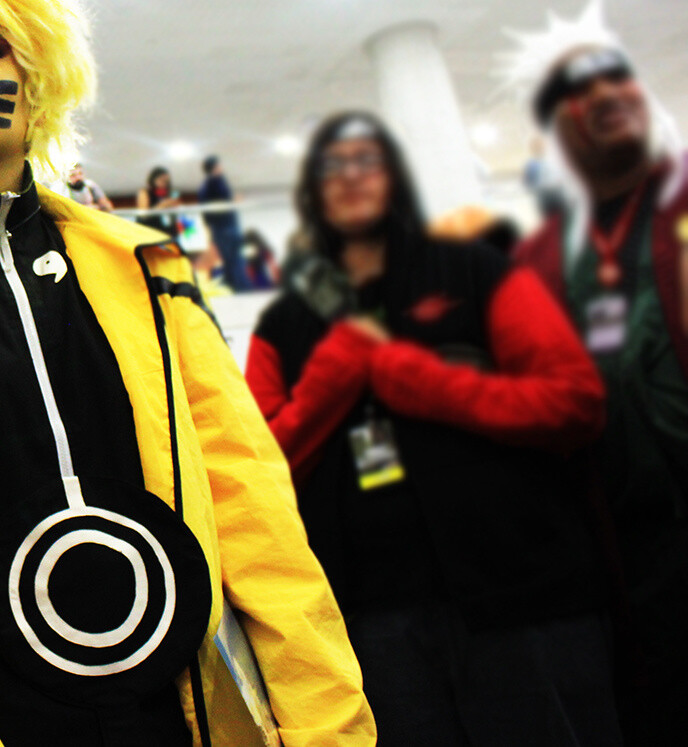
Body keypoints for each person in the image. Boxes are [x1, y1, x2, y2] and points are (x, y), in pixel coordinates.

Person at [0, 0, 374, 746]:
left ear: (37, 87)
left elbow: (253, 508)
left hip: (173, 716)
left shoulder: (147, 270)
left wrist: (328, 725)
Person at [245, 110, 620, 747]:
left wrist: (415, 379)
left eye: (368, 160)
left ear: (396, 178)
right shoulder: (285, 321)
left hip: (522, 596)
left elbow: (573, 401)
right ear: (310, 191)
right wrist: (333, 380)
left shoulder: (475, 270)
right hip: (367, 620)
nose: (351, 177)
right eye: (331, 167)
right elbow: (255, 468)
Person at [507, 0, 688, 746]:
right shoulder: (539, 263)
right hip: (636, 578)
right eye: (578, 89)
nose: (609, 93)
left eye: (618, 76)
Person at [199, 154, 249, 291]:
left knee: (232, 260)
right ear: (215, 167)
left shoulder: (212, 184)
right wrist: (233, 200)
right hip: (225, 228)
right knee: (234, 260)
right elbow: (214, 207)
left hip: (224, 227)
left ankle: (237, 288)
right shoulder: (213, 183)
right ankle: (240, 289)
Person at [134, 164, 183, 238]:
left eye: (167, 181)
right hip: (149, 230)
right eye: (161, 180)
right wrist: (161, 206)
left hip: (167, 230)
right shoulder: (145, 192)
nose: (164, 183)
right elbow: (143, 215)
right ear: (153, 179)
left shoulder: (169, 193)